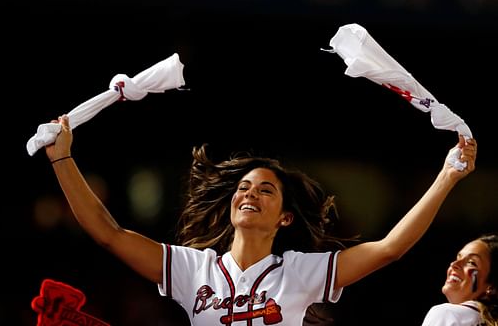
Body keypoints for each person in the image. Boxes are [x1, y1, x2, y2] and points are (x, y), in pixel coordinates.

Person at [44, 114, 477, 325]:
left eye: (265, 189)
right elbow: (108, 233)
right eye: (244, 187)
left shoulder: (300, 272)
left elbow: (390, 248)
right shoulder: (192, 269)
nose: (250, 193)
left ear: (285, 218)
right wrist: (62, 157)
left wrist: (446, 176)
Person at [421, 234, 498, 326]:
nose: (454, 264)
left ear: (492, 287)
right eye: (458, 258)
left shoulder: (447, 314)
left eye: (471, 262)